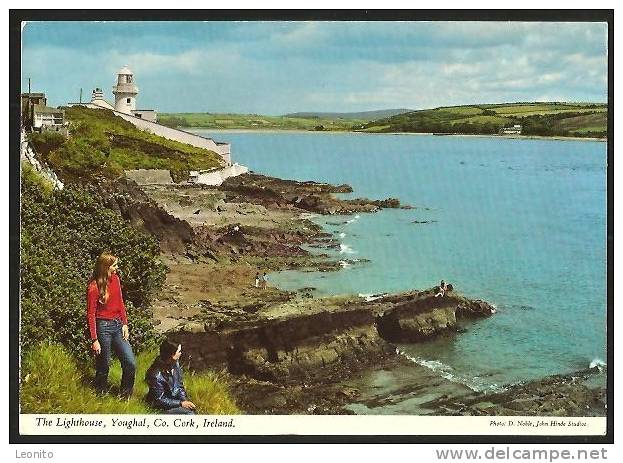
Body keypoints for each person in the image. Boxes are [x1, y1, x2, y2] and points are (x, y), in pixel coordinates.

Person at [87, 252, 136, 397]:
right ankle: (100, 395)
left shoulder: (116, 279)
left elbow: (120, 303)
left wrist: (125, 324)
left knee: (130, 363)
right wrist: (94, 339)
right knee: (104, 365)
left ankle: (125, 397)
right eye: (114, 265)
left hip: (118, 325)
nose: (117, 268)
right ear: (105, 267)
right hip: (103, 328)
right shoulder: (94, 287)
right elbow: (90, 315)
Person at [146, 340, 196, 415]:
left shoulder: (175, 364)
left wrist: (184, 401)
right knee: (189, 415)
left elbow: (179, 386)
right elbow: (159, 400)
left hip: (174, 402)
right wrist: (180, 403)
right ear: (172, 355)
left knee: (192, 411)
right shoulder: (155, 375)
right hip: (161, 407)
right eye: (179, 352)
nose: (180, 353)